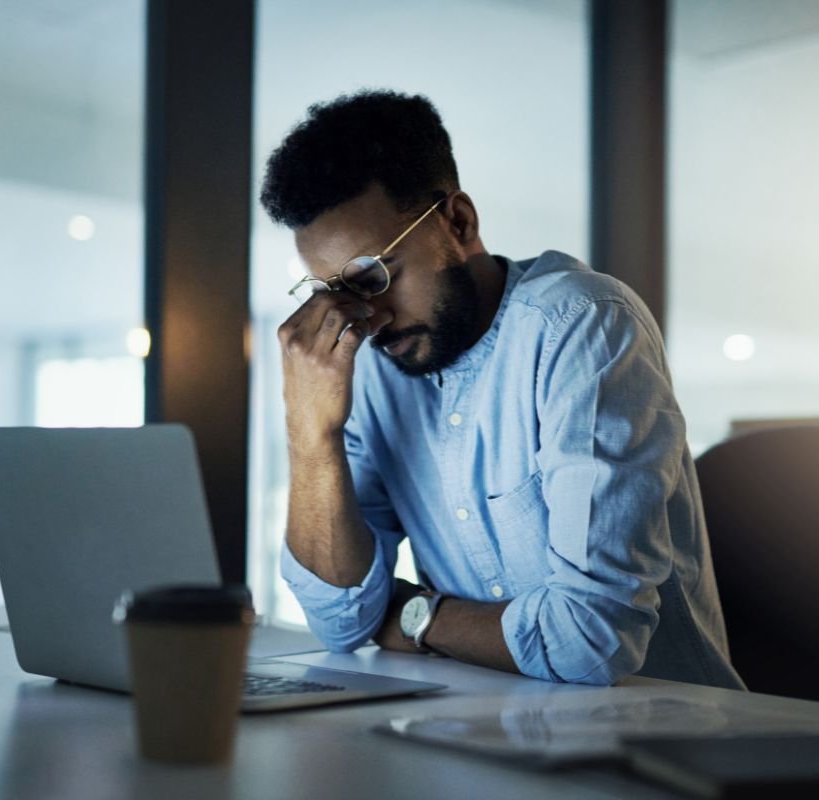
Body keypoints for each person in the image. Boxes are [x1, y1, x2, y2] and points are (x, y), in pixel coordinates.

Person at [260, 90, 744, 688]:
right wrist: (311, 433)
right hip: (487, 730)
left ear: (458, 222)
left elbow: (591, 642)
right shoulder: (378, 368)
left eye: (374, 275)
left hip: (660, 743)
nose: (367, 317)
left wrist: (414, 615)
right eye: (336, 293)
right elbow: (338, 619)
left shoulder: (581, 323)